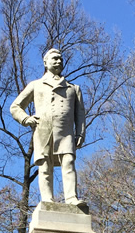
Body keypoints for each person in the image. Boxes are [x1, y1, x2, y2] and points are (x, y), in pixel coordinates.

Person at [10, 48, 86, 205]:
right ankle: (47, 200)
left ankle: (71, 198)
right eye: (55, 58)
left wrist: (80, 134)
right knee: (44, 166)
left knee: (68, 163)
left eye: (60, 59)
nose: (58, 61)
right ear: (45, 62)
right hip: (43, 131)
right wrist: (26, 119)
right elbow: (15, 107)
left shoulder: (73, 88)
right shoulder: (36, 85)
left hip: (65, 132)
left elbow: (80, 114)